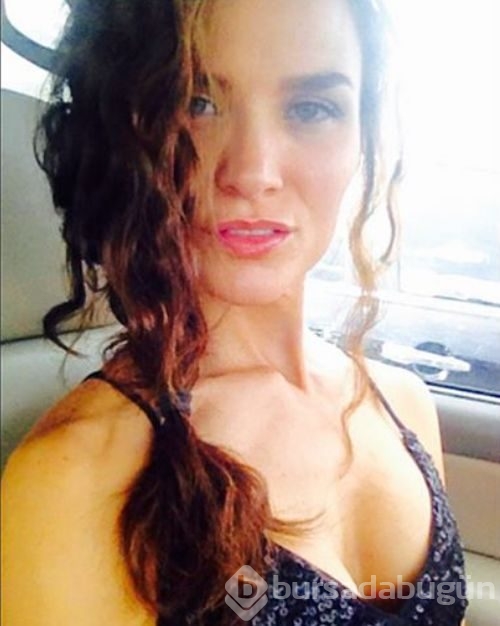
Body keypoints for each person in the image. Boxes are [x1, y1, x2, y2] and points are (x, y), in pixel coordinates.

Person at [2, 1, 468, 624]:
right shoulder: (75, 480)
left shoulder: (402, 403)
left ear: (361, 134)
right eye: (196, 103)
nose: (253, 172)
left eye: (312, 109)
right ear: (128, 133)